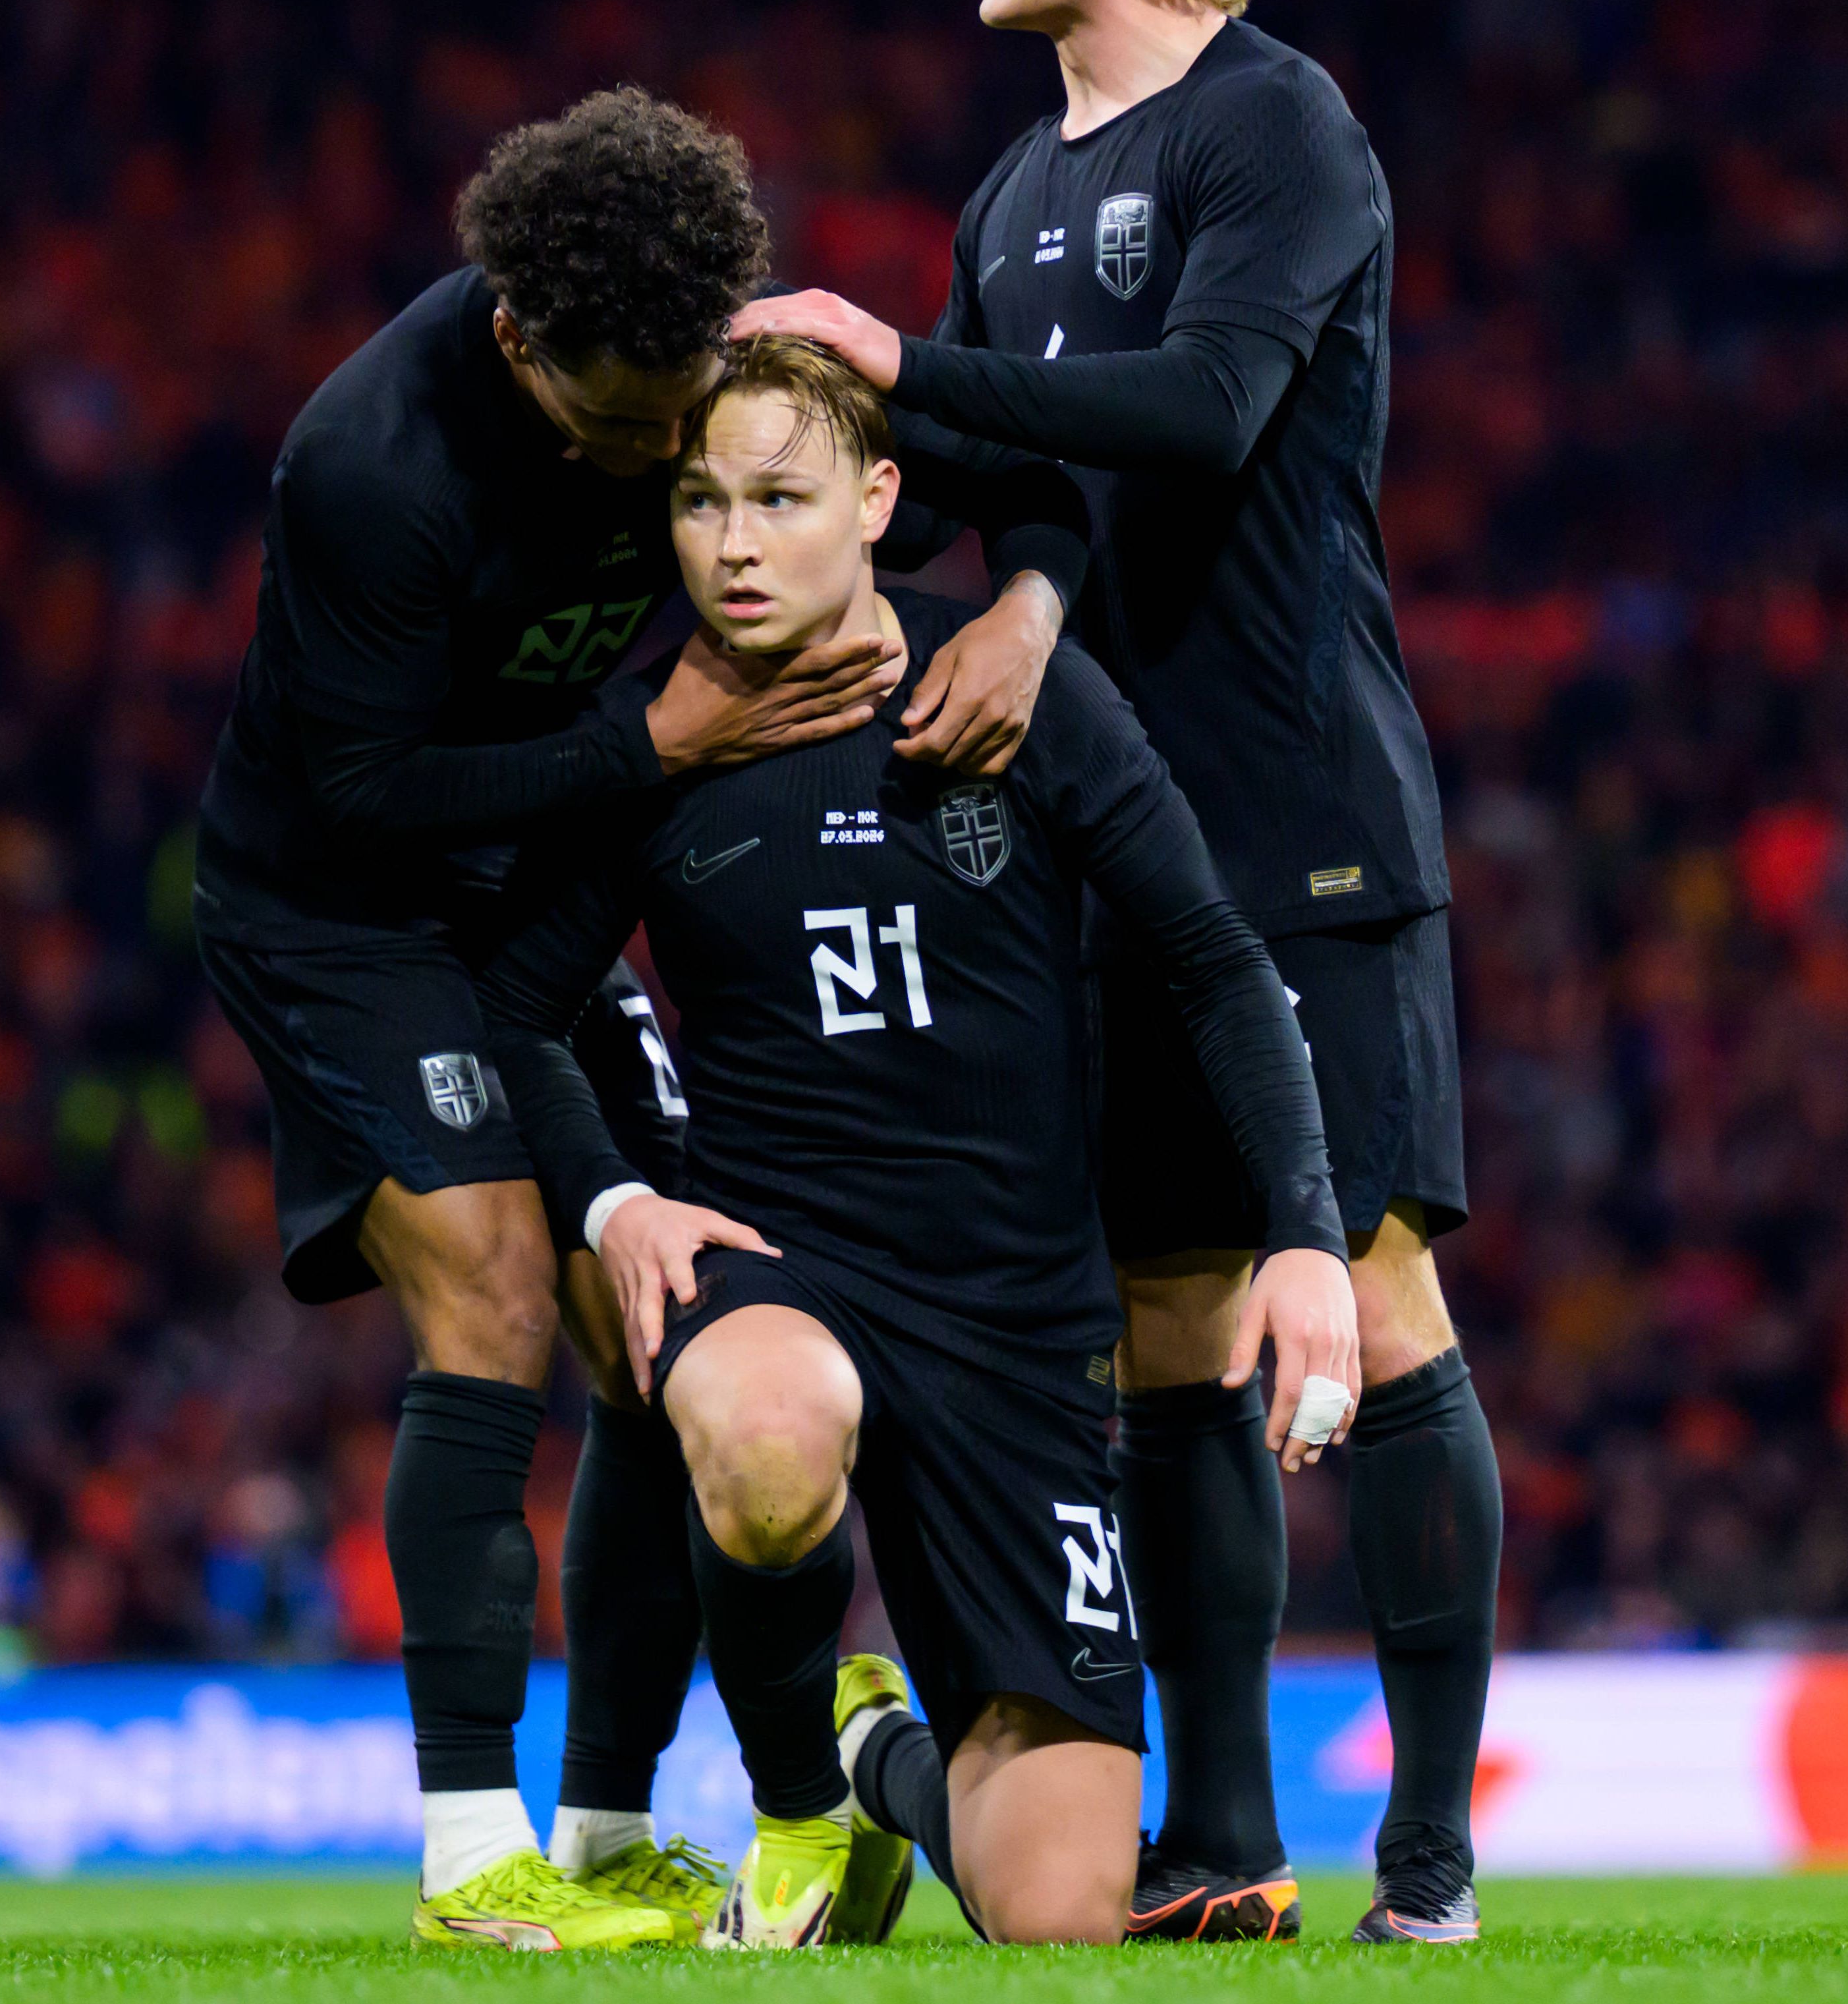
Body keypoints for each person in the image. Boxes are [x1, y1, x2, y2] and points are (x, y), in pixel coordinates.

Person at [739, 0, 1496, 1944]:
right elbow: (1019, 472)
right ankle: (1221, 1839)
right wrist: (780, 423)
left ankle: (1432, 1860)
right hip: (1107, 835)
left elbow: (1199, 409)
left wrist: (902, 365)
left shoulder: (1280, 128)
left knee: (1370, 1290)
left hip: (1302, 813)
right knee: (1168, 1326)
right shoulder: (1014, 187)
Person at [194, 89, 1084, 1947]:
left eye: (672, 425)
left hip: (531, 888)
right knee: (499, 1289)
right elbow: (352, 792)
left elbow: (1004, 462)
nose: (649, 466)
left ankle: (602, 1839)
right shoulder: (370, 463)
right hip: (342, 908)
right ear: (518, 340)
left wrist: (1025, 603)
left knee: (655, 1313)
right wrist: (647, 744)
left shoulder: (708, 363)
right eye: (618, 433)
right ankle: (465, 1861)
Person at [474, 336, 1355, 1947]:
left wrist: (1303, 1226)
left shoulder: (1017, 690)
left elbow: (1220, 959)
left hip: (1018, 1323)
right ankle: (796, 1798)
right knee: (765, 1429)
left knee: (1059, 1914)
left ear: (878, 502)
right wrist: (613, 1198)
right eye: (696, 500)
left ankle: (873, 1750)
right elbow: (514, 1002)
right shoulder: (659, 736)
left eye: (779, 498)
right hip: (783, 1269)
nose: (732, 544)